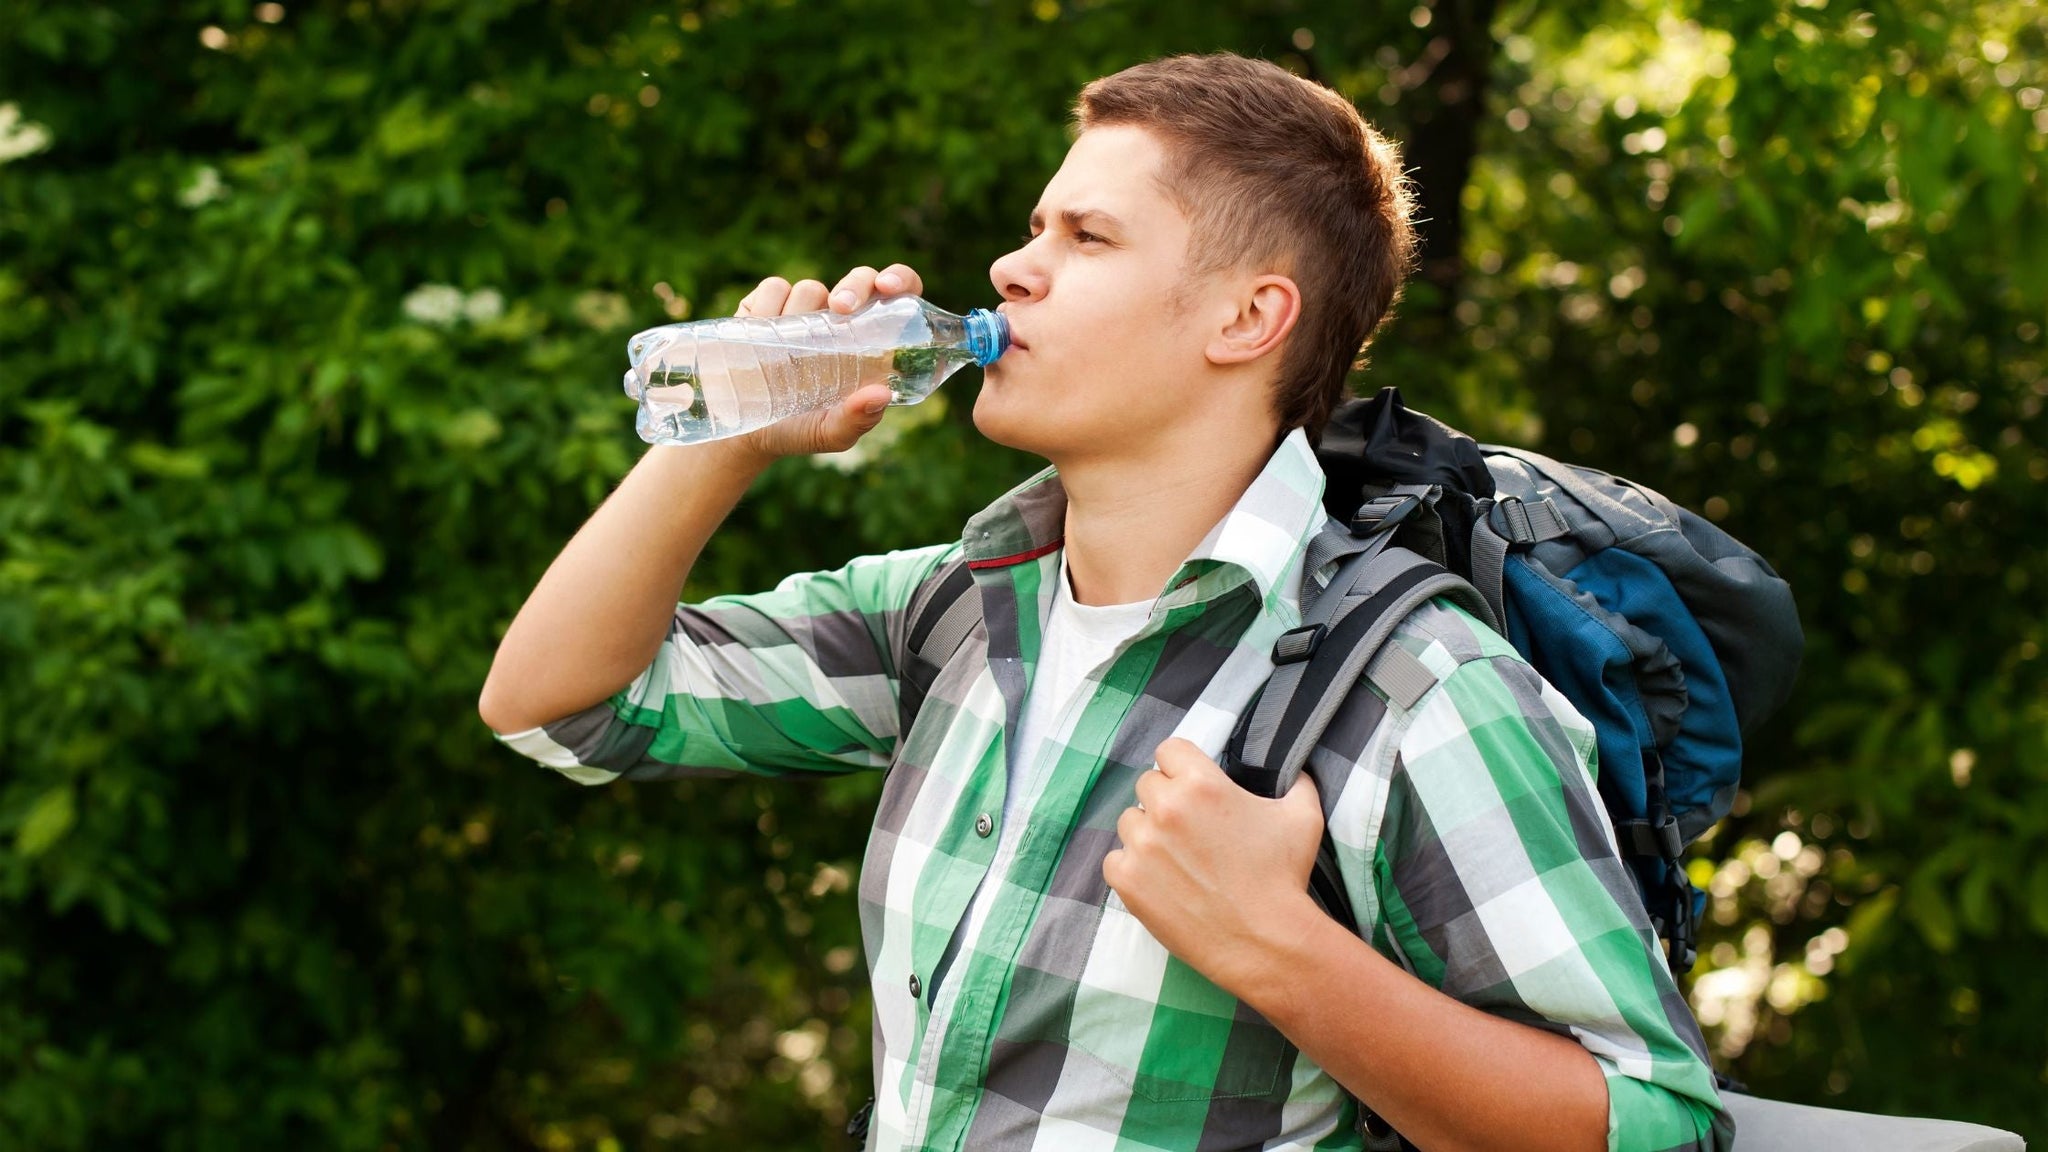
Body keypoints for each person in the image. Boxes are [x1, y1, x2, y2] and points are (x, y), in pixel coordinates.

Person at [480, 52, 1732, 1152]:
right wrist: (730, 429)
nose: (1009, 269)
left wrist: (1277, 950)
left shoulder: (1413, 688)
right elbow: (560, 708)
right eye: (1035, 228)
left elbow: (1656, 1127)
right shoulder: (959, 611)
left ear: (1249, 317)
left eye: (1086, 238)